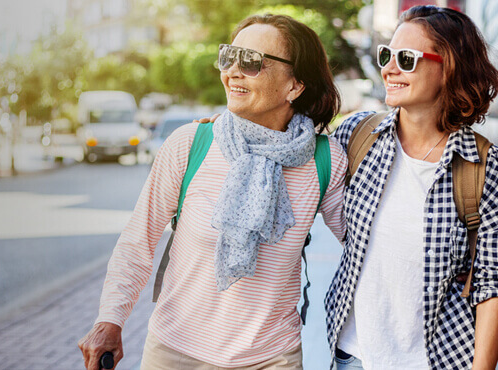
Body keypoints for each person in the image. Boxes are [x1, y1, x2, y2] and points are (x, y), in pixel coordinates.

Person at [78, 14, 348, 369]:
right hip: (175, 351)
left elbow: (364, 248)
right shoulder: (190, 144)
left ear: (294, 86)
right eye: (229, 57)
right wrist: (110, 319)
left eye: (251, 62)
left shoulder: (324, 160)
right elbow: (137, 242)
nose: (232, 71)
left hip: (272, 357)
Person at [325, 6, 498, 369]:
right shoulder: (356, 136)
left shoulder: (484, 167)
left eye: (406, 58)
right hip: (353, 355)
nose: (389, 68)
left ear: (448, 68)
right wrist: (228, 126)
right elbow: (292, 155)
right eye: (386, 55)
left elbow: (491, 286)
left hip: (439, 359)